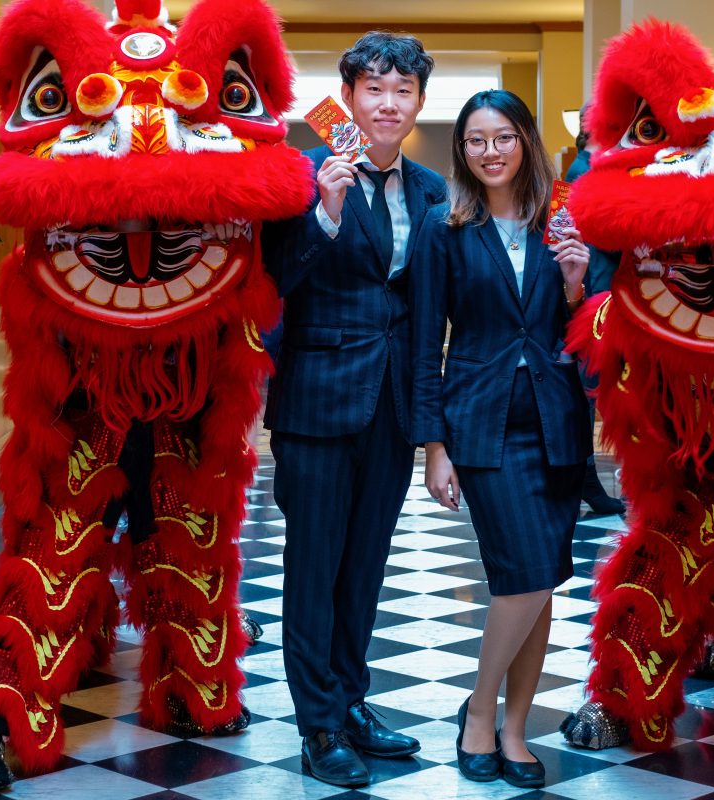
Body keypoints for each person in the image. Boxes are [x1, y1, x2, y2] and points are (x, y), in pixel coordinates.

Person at [261, 32, 447, 789]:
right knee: (313, 568)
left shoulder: (434, 189)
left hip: (393, 405)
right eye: (373, 88)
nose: (387, 102)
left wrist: (431, 423)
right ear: (348, 96)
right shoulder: (301, 176)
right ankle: (318, 726)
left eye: (402, 90)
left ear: (418, 104)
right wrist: (326, 216)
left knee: (366, 567)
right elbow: (271, 281)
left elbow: (431, 307)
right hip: (316, 402)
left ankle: (351, 698)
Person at [410, 89, 592, 789]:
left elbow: (586, 333)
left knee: (540, 580)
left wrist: (576, 288)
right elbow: (428, 342)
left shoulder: (562, 221)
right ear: (462, 150)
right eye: (476, 140)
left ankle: (514, 729)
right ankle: (479, 712)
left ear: (526, 143)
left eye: (504, 137)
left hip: (556, 422)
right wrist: (433, 446)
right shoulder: (443, 227)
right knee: (524, 573)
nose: (490, 151)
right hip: (481, 422)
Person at [565, 102, 624, 516]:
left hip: (603, 291)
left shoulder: (593, 168)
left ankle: (586, 477)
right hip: (596, 295)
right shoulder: (582, 171)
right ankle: (583, 476)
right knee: (588, 392)